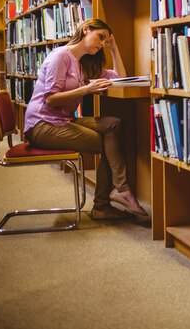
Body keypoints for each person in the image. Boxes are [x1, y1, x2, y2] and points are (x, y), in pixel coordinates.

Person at [23, 18, 147, 220]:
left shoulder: (82, 64)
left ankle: (110, 200)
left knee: (113, 125)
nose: (101, 45)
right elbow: (51, 99)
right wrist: (87, 88)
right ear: (86, 29)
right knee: (109, 144)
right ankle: (111, 198)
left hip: (62, 121)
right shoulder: (60, 56)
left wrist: (113, 48)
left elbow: (120, 79)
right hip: (41, 125)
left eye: (105, 41)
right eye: (100, 37)